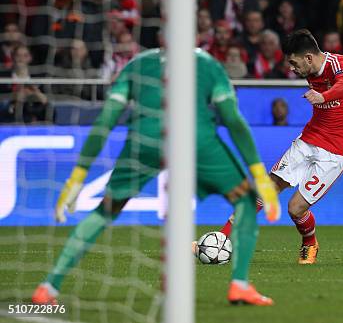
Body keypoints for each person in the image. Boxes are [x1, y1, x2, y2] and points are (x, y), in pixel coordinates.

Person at [32, 48, 281, 306]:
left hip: (145, 140)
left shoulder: (137, 64)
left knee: (105, 210)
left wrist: (78, 175)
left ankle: (49, 286)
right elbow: (233, 119)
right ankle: (239, 285)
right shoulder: (208, 64)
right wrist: (259, 174)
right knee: (245, 202)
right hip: (196, 140)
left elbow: (106, 119)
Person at [218, 29, 343, 264]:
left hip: (338, 149)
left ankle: (310, 243)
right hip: (310, 138)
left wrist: (323, 97)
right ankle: (222, 238)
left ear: (308, 58)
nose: (292, 69)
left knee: (295, 209)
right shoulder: (309, 68)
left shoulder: (342, 65)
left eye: (294, 63)